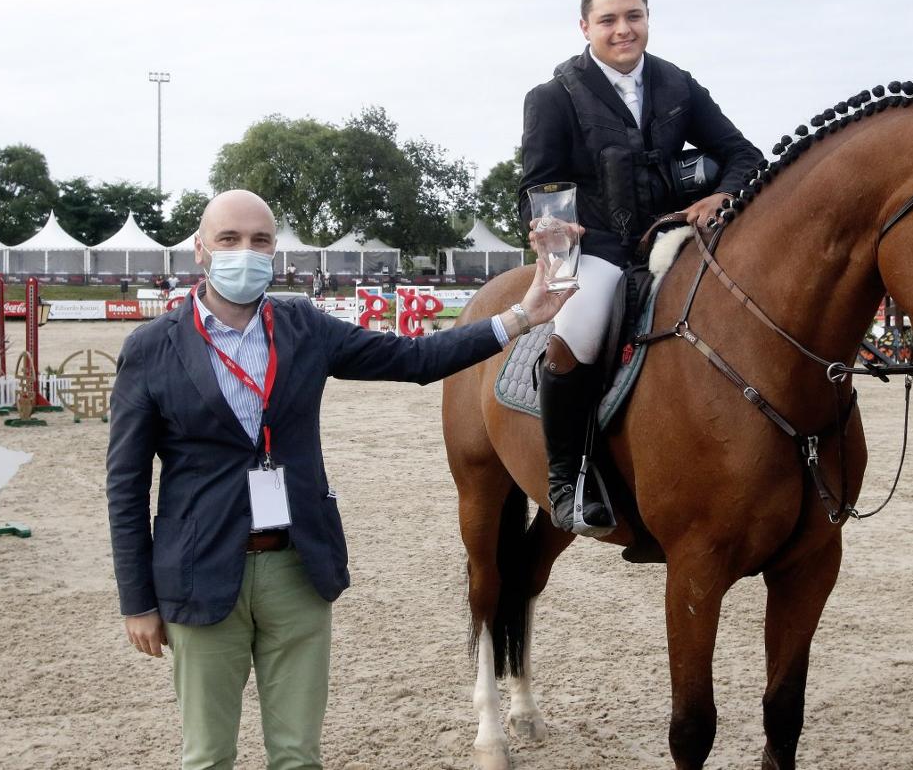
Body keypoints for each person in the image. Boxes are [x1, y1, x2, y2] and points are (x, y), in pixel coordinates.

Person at [106, 190, 571, 770]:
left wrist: (521, 317)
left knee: (299, 756)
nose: (244, 252)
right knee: (206, 756)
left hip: (296, 570)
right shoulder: (151, 348)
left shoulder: (303, 326)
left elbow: (417, 360)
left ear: (274, 250)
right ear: (201, 250)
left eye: (259, 241)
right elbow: (125, 486)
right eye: (229, 240)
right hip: (199, 574)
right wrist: (137, 601)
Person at [519, 0, 762, 534]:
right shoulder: (551, 97)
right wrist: (556, 228)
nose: (622, 29)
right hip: (595, 247)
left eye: (633, 16)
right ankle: (567, 478)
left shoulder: (679, 85)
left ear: (647, 17)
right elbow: (537, 184)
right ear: (585, 26)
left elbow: (741, 152)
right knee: (575, 332)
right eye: (609, 20)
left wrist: (723, 194)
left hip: (673, 237)